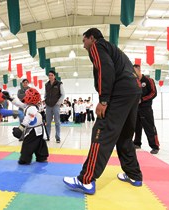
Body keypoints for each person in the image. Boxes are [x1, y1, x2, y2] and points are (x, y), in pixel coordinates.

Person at [63, 28, 143, 195]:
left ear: (92, 38)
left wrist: (104, 100)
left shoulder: (97, 46)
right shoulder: (114, 49)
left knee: (102, 131)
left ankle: (86, 180)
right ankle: (134, 175)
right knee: (125, 135)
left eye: (84, 41)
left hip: (120, 92)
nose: (84, 46)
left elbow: (105, 69)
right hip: (133, 90)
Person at [9, 88, 49, 164]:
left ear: (30, 97)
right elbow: (19, 103)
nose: (24, 96)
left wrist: (20, 128)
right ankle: (41, 157)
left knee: (28, 144)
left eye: (26, 95)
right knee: (39, 143)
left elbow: (28, 119)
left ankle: (25, 159)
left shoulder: (32, 108)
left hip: (34, 130)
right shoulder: (28, 105)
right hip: (38, 129)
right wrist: (9, 98)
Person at [133, 64, 160, 154]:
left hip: (146, 109)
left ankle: (155, 146)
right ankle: (137, 143)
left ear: (139, 70)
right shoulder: (134, 82)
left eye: (134, 71)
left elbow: (153, 93)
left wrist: (142, 100)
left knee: (149, 127)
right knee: (136, 127)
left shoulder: (149, 80)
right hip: (135, 109)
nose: (133, 73)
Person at [44, 70, 65, 143]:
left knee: (57, 122)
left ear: (54, 76)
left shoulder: (59, 84)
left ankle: (58, 137)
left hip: (56, 106)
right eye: (49, 75)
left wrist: (58, 103)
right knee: (48, 122)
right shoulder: (46, 84)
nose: (50, 76)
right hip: (48, 106)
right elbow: (45, 94)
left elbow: (63, 94)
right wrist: (45, 100)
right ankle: (47, 136)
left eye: (51, 75)